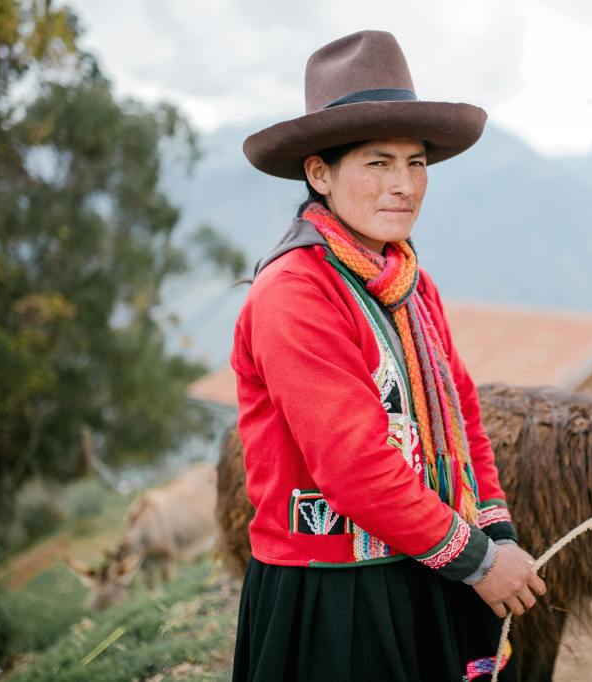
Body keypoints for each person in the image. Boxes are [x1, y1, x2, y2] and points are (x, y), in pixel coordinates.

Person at [230, 30, 546, 682]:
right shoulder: (295, 292)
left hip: (429, 560)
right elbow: (354, 467)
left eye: (417, 163)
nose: (404, 186)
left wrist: (497, 532)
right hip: (335, 595)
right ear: (320, 172)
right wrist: (481, 562)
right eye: (377, 163)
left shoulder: (408, 282)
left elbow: (462, 416)